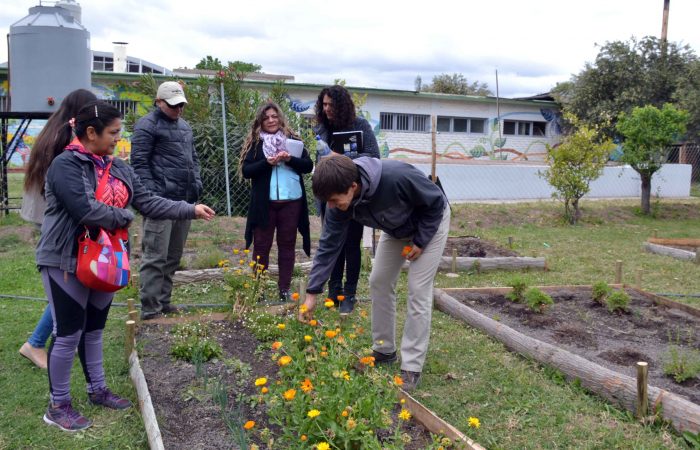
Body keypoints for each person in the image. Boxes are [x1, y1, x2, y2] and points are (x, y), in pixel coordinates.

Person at [37, 100, 214, 431]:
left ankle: (97, 389)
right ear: (91, 132)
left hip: (106, 260)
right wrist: (125, 217)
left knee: (94, 329)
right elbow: (86, 209)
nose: (119, 139)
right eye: (114, 133)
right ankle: (58, 405)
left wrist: (189, 209)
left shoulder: (116, 166)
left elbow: (147, 200)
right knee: (68, 333)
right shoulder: (66, 166)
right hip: (66, 259)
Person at [301, 155, 450, 391]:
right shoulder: (339, 201)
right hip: (396, 228)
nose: (331, 206)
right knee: (378, 280)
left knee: (418, 288)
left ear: (353, 187)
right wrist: (311, 294)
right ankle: (384, 350)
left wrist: (420, 241)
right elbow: (329, 246)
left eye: (333, 200)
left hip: (431, 222)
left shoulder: (396, 177)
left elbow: (435, 203)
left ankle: (411, 366)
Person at [19, 88, 97, 370]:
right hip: (58, 219)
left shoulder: (52, 131)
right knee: (67, 284)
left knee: (67, 283)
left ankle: (45, 340)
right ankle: (37, 342)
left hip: (45, 215)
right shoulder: (67, 140)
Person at [131, 81, 204, 320]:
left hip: (183, 203)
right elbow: (139, 164)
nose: (178, 109)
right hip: (159, 203)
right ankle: (150, 308)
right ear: (159, 102)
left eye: (181, 105)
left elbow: (192, 159)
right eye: (173, 105)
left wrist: (196, 183)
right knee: (155, 256)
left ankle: (164, 301)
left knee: (173, 255)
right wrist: (151, 196)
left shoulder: (185, 127)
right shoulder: (146, 126)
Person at [314, 85, 380, 315]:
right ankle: (334, 292)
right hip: (330, 197)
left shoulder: (360, 125)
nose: (327, 108)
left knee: (352, 244)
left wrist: (340, 158)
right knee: (333, 243)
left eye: (331, 104)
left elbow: (374, 156)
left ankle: (349, 294)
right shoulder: (322, 129)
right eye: (323, 104)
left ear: (342, 105)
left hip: (353, 196)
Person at [241, 101, 313, 301]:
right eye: (266, 118)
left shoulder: (293, 140)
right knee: (261, 246)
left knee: (287, 245)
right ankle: (259, 289)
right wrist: (267, 162)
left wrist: (290, 159)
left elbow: (308, 166)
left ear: (280, 118)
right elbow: (246, 171)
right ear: (260, 122)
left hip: (292, 202)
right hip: (265, 203)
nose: (271, 120)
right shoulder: (256, 144)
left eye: (274, 116)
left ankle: (284, 289)